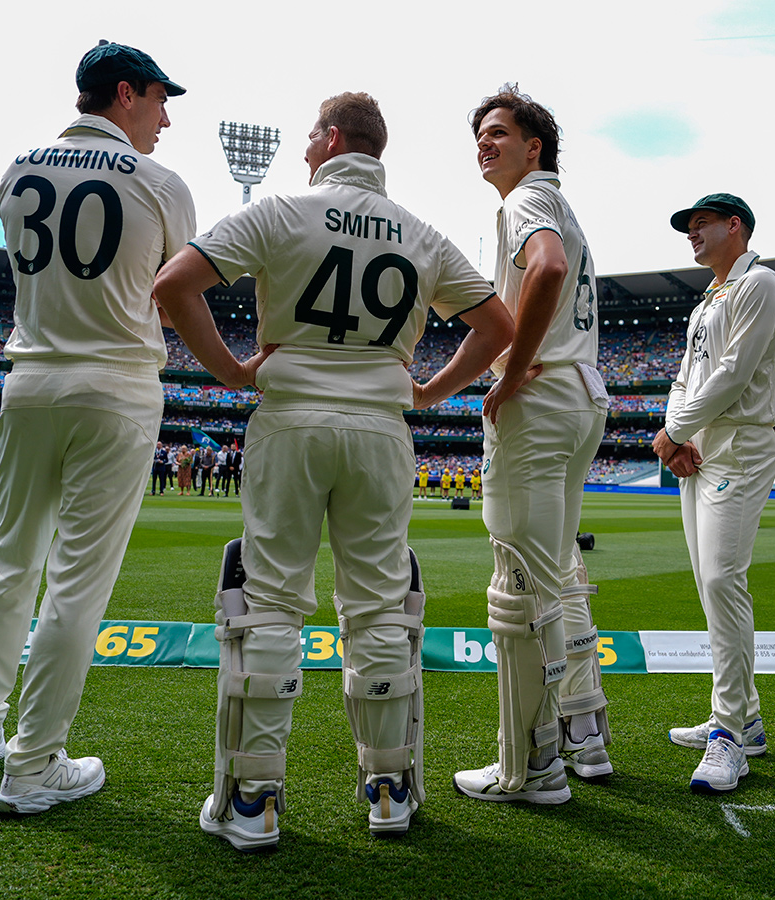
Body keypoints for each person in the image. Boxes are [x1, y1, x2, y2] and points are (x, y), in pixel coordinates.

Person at [154, 90, 512, 848]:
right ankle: (388, 792)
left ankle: (253, 801)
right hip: (380, 427)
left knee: (272, 603)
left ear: (335, 137)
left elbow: (172, 286)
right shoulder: (421, 232)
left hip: (289, 420)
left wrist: (234, 371)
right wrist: (429, 389)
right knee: (381, 606)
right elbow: (498, 325)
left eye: (312, 133)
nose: (304, 146)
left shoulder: (279, 210)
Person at [0, 41, 197, 812]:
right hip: (116, 387)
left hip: (28, 381)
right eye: (160, 99)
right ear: (123, 93)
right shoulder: (161, 182)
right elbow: (171, 294)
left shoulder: (15, 169)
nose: (165, 117)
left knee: (10, 562)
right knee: (76, 584)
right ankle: (34, 765)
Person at [453, 84, 611, 805]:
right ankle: (585, 732)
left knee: (520, 584)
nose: (483, 144)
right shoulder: (561, 204)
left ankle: (530, 767)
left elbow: (543, 270)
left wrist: (511, 372)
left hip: (544, 399)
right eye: (479, 135)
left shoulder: (526, 202)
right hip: (582, 395)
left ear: (532, 145)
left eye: (496, 132)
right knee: (561, 573)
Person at [653, 194, 775, 792]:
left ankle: (729, 732)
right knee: (710, 584)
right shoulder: (709, 299)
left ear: (735, 225)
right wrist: (675, 435)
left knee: (721, 581)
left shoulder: (761, 283)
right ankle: (744, 716)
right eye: (688, 228)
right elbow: (686, 376)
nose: (691, 235)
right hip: (699, 450)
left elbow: (734, 373)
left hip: (737, 446)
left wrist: (673, 432)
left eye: (701, 224)